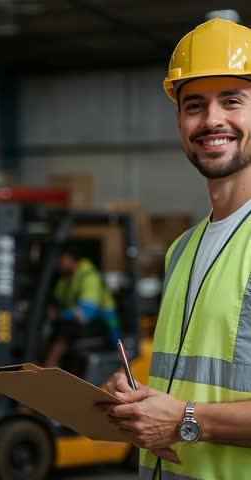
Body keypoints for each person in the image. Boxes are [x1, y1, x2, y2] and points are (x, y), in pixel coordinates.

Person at [97, 18, 251, 480]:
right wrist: (140, 399)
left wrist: (186, 419)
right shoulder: (182, 249)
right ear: (179, 121)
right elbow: (194, 386)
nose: (212, 121)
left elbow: (187, 412)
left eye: (232, 101)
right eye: (194, 105)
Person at [44, 243, 121, 367]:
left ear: (70, 258)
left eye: (60, 258)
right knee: (52, 327)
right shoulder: (66, 279)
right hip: (85, 323)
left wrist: (57, 314)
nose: (57, 263)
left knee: (66, 329)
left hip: (104, 324)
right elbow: (55, 299)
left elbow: (85, 314)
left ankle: (51, 364)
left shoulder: (89, 277)